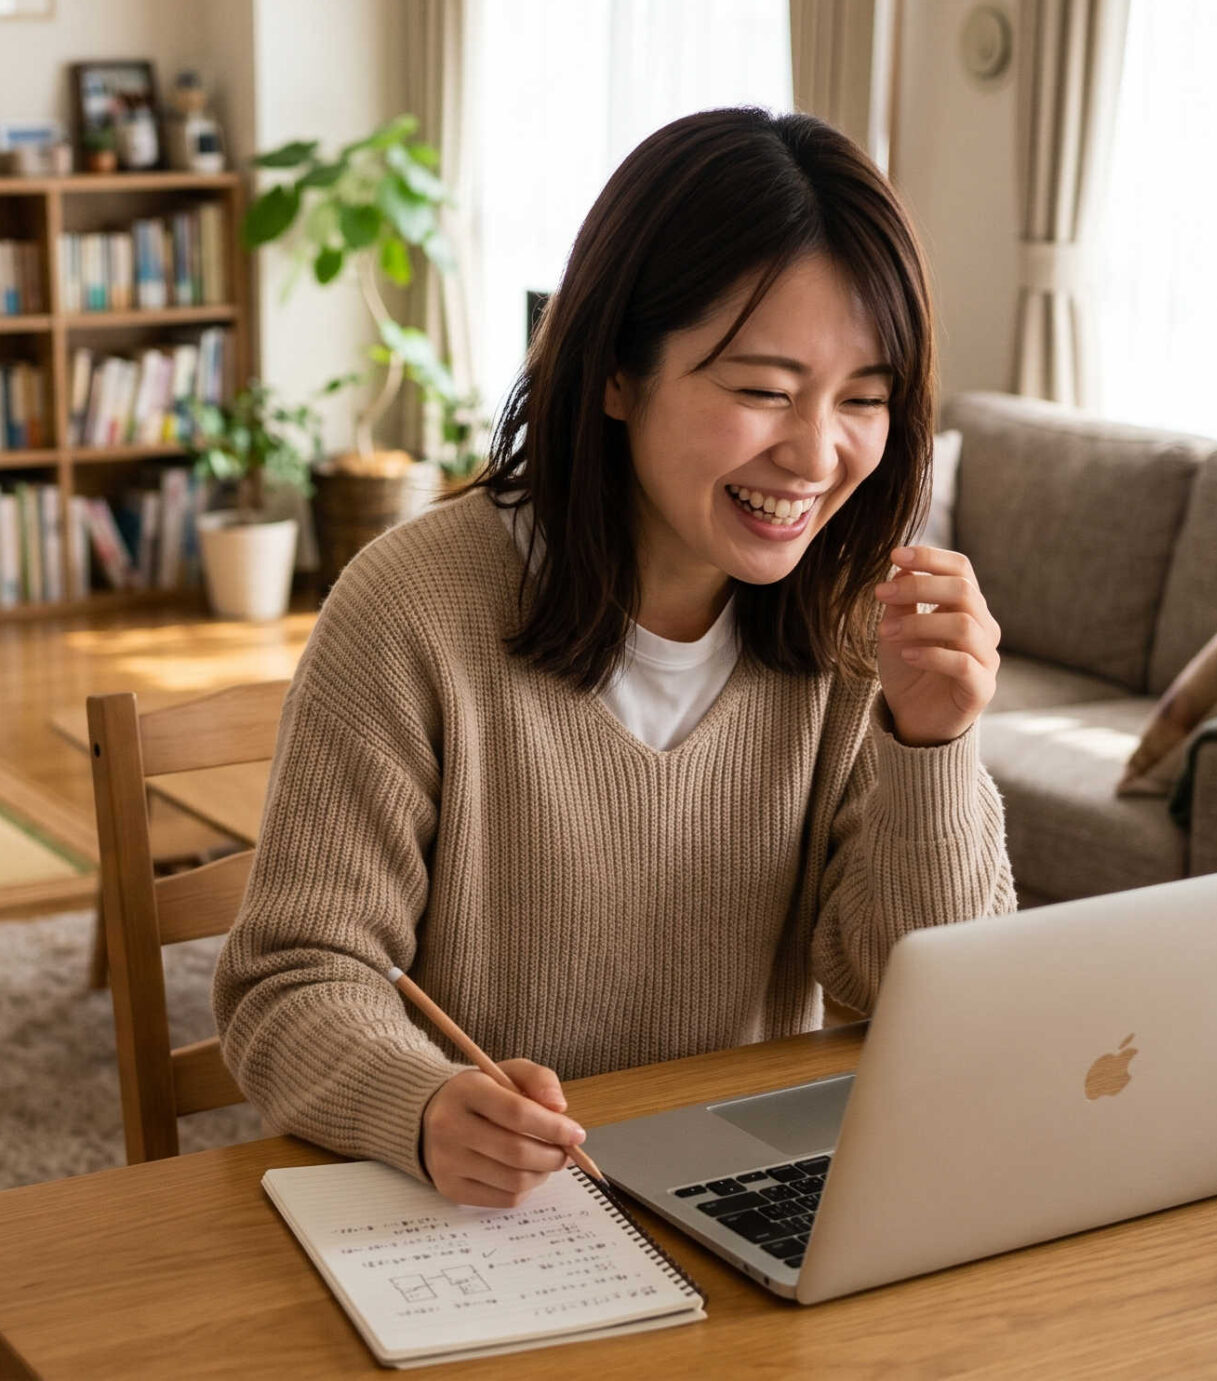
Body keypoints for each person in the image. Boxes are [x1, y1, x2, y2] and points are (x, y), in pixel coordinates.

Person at [213, 107, 1018, 1208]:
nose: (816, 453)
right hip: (487, 1215)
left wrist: (933, 743)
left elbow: (929, 1007)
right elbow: (294, 975)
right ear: (615, 374)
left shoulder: (856, 624)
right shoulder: (411, 608)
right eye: (762, 390)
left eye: (864, 399)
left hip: (740, 1191)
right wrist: (423, 1102)